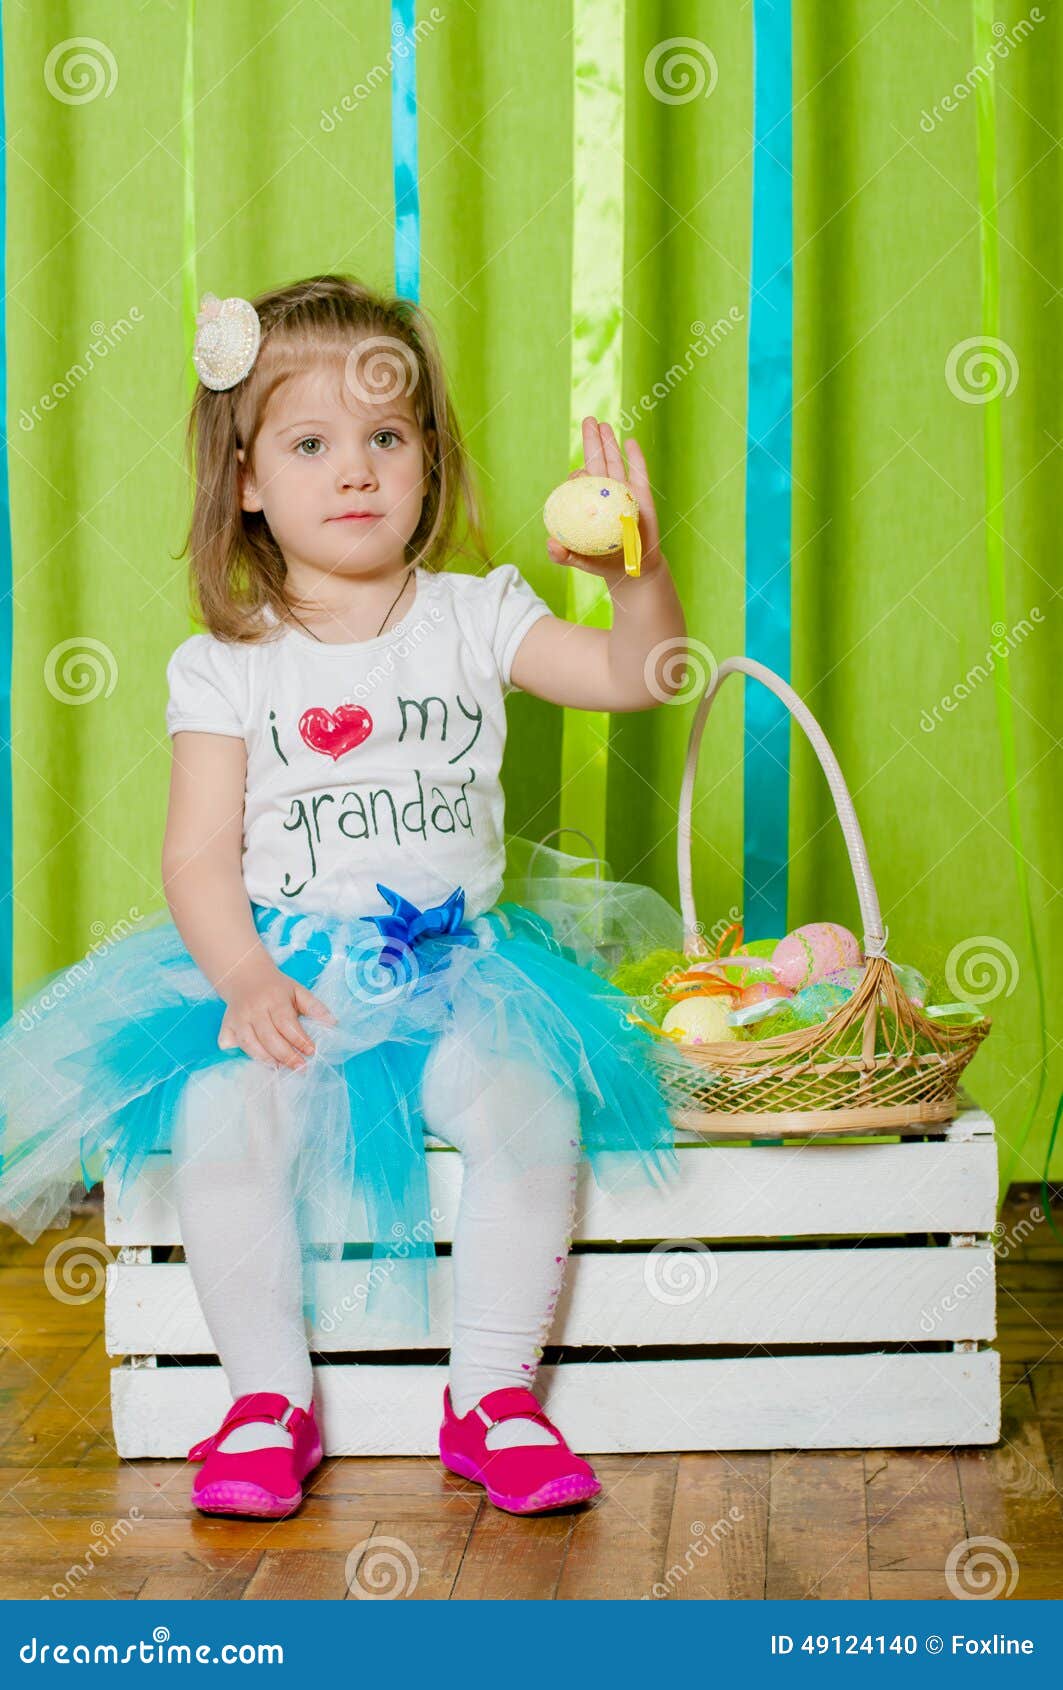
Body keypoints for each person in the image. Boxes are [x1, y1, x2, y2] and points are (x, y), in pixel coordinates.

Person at [0, 274, 693, 1520]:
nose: (357, 471)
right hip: (292, 972)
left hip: (461, 967)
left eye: (386, 436)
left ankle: (492, 1396)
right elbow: (197, 856)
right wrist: (243, 976)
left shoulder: (479, 616)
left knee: (530, 1110)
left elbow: (640, 677)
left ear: (429, 458)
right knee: (222, 1120)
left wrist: (635, 573)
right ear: (247, 480)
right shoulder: (227, 663)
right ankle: (267, 1398)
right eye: (311, 444)